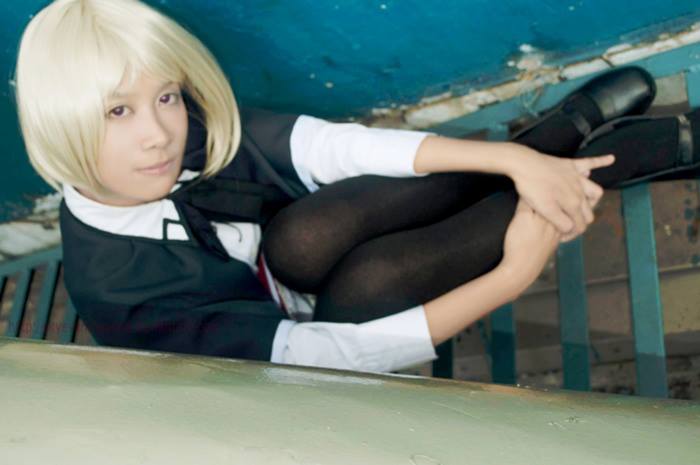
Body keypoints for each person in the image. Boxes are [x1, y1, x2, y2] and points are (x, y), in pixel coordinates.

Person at [13, 0, 699, 373]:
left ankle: (539, 149)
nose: (159, 134)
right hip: (299, 346)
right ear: (59, 125)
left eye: (164, 96)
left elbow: (326, 146)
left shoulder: (181, 128)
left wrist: (505, 161)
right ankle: (607, 164)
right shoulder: (120, 297)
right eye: (117, 112)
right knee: (376, 277)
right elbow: (313, 360)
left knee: (308, 234)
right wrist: (512, 276)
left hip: (288, 258)